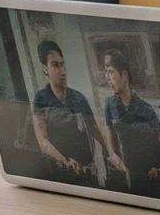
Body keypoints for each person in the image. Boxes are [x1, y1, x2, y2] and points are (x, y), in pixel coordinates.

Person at [29, 38, 110, 181]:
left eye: (62, 64)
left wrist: (112, 153)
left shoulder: (78, 97)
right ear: (45, 69)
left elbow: (95, 130)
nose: (62, 71)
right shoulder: (41, 99)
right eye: (55, 65)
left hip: (88, 173)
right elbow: (43, 141)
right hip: (62, 173)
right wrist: (65, 161)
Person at [101, 48, 160, 188]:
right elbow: (109, 131)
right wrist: (113, 155)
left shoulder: (146, 109)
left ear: (124, 75)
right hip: (123, 178)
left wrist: (159, 172)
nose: (107, 77)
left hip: (148, 181)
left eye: (110, 72)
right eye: (106, 72)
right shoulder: (109, 104)